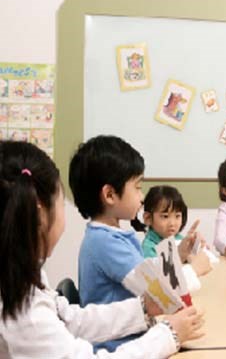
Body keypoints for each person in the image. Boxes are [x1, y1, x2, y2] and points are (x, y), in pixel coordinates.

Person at [0, 140, 204, 358]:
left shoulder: (21, 276)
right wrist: (168, 334)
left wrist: (144, 308)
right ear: (40, 213)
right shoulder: (25, 313)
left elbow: (70, 319)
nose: (142, 195)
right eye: (60, 203)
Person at [70, 135, 201, 352]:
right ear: (110, 195)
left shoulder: (109, 236)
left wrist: (179, 257)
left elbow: (147, 273)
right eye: (138, 187)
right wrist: (194, 269)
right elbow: (157, 292)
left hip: (135, 337)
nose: (141, 197)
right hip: (119, 346)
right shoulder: (105, 242)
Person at [135, 185, 212, 279]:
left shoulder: (179, 239)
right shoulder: (149, 248)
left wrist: (199, 247)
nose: (172, 223)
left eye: (177, 216)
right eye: (165, 216)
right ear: (148, 218)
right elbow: (160, 279)